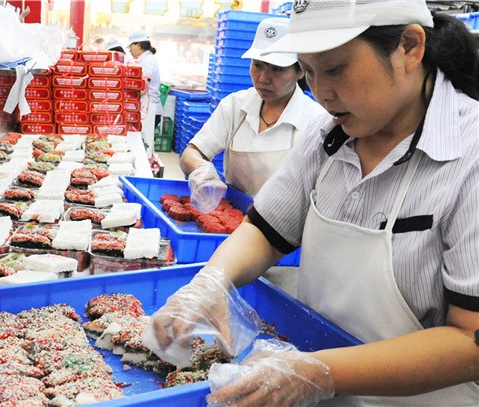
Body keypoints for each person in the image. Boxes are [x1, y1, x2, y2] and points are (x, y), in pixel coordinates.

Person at [146, 1, 479, 406]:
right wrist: (210, 283)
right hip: (314, 387)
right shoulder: (328, 135)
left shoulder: (469, 154)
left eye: (335, 69)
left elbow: (470, 341)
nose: (321, 94)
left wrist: (322, 372)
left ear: (409, 47)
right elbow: (265, 230)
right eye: (309, 71)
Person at [180, 18, 325, 212]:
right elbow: (191, 154)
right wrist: (201, 169)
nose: (264, 79)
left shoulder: (316, 122)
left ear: (301, 71)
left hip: (285, 230)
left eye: (278, 69)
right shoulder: (235, 106)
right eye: (258, 65)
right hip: (236, 215)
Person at [127, 30, 162, 156]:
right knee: (141, 145)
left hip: (149, 110)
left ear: (139, 45)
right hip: (144, 109)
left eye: (131, 46)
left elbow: (142, 89)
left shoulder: (148, 61)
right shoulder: (142, 60)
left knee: (144, 147)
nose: (129, 50)